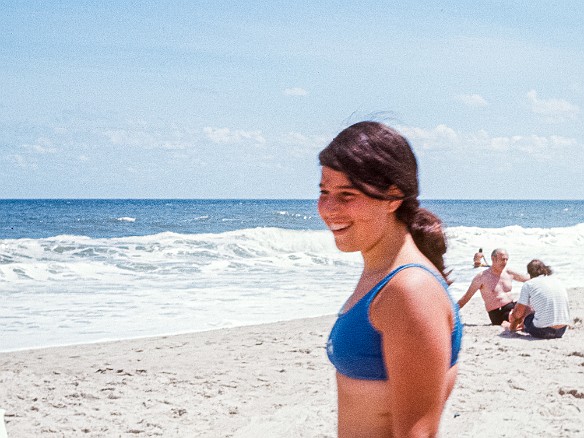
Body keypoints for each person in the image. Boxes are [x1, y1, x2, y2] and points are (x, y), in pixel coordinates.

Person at [318, 121, 462, 437]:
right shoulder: (381, 272)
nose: (328, 208)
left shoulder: (409, 291)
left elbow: (418, 433)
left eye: (346, 194)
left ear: (393, 197)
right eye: (324, 191)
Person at [457, 248, 529, 325]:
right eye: (502, 259)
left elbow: (527, 279)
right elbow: (466, 297)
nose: (505, 262)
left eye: (506, 260)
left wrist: (540, 273)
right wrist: (451, 312)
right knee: (518, 318)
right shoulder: (481, 277)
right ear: (493, 259)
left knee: (531, 308)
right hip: (498, 313)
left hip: (512, 307)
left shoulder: (508, 272)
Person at [509, 259, 571, 338]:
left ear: (529, 273)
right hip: (561, 330)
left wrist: (513, 318)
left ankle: (512, 329)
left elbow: (519, 312)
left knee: (524, 312)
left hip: (543, 331)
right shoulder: (557, 281)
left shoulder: (529, 284)